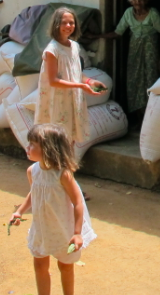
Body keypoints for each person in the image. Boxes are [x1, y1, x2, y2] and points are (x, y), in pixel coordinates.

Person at [10, 123, 96, 295]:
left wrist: (77, 232)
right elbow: (34, 193)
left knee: (65, 265)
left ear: (47, 149)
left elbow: (78, 202)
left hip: (63, 229)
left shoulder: (62, 175)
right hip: (42, 228)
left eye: (32, 144)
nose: (27, 147)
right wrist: (19, 211)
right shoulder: (32, 171)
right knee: (40, 264)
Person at [93, 0, 160, 114]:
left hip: (150, 52)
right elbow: (118, 33)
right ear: (131, 1)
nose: (138, 1)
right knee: (134, 82)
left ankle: (151, 116)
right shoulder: (128, 13)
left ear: (147, 0)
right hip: (135, 52)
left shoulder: (153, 14)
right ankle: (139, 119)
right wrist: (97, 36)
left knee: (151, 81)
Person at [37, 7, 105, 145]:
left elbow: (75, 73)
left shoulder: (74, 46)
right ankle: (56, 166)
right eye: (64, 23)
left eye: (72, 23)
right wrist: (81, 86)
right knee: (58, 139)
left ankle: (66, 165)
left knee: (71, 137)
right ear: (56, 25)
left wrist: (90, 82)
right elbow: (53, 81)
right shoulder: (52, 50)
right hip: (58, 100)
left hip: (72, 99)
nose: (68, 26)